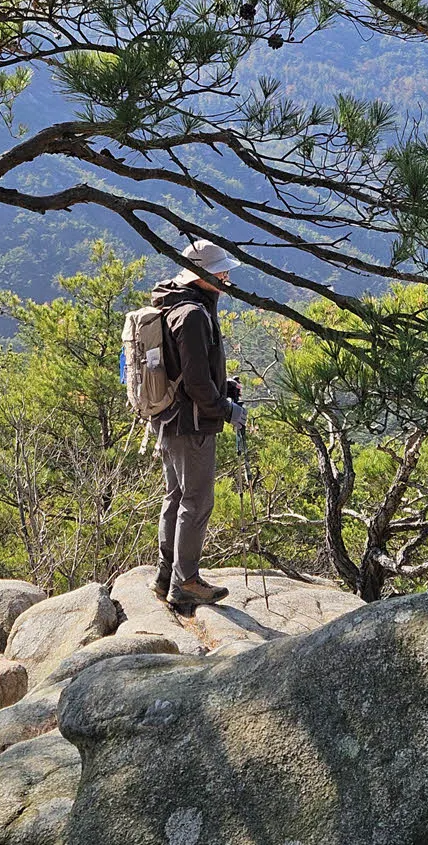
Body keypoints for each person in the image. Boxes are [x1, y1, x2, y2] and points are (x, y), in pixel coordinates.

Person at [150, 238, 248, 610]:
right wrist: (226, 408)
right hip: (190, 423)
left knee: (176, 496)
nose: (225, 275)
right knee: (197, 500)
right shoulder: (192, 314)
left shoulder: (174, 305)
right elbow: (193, 381)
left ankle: (166, 576)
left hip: (169, 418)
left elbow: (185, 370)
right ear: (201, 275)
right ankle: (185, 583)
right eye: (220, 270)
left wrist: (222, 386)